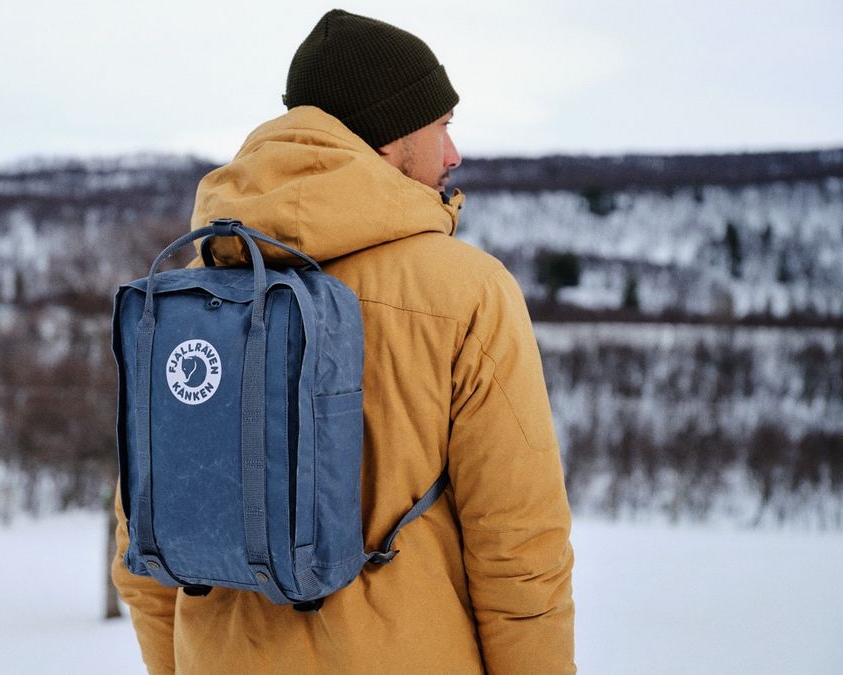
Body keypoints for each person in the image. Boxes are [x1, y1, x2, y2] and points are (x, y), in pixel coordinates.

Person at [113, 9, 575, 674]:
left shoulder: (193, 292)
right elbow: (522, 558)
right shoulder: (468, 291)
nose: (454, 153)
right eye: (441, 125)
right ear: (387, 137)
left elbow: (142, 540)